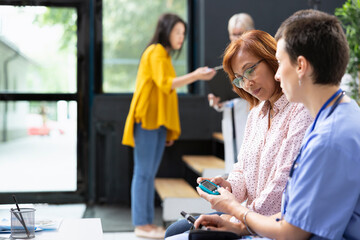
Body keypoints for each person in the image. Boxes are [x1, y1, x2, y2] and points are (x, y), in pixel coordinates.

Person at [185, 9, 360, 240]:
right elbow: (290, 214)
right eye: (239, 77)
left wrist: (237, 215)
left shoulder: (327, 136)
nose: (278, 75)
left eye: (279, 62)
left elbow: (292, 230)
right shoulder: (336, 117)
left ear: (300, 66)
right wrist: (235, 210)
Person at [165, 29, 313, 238]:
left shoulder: (300, 110)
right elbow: (242, 169)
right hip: (247, 215)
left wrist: (235, 218)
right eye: (239, 78)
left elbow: (282, 186)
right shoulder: (256, 114)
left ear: (273, 60)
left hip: (269, 222)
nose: (247, 83)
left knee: (194, 235)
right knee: (176, 229)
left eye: (250, 70)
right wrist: (228, 186)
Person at [122, 13, 216, 239]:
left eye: (183, 34)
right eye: (177, 32)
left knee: (148, 173)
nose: (181, 38)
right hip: (147, 120)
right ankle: (141, 224)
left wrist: (168, 128)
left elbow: (165, 94)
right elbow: (167, 85)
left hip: (157, 123)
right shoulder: (155, 51)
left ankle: (144, 224)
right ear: (165, 31)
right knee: (143, 174)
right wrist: (196, 75)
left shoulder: (163, 55)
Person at [208, 13, 255, 173]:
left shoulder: (257, 58)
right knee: (233, 168)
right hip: (233, 119)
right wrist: (217, 102)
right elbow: (227, 97)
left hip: (251, 115)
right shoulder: (228, 60)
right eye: (233, 34)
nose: (236, 38)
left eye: (240, 33)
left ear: (250, 32)